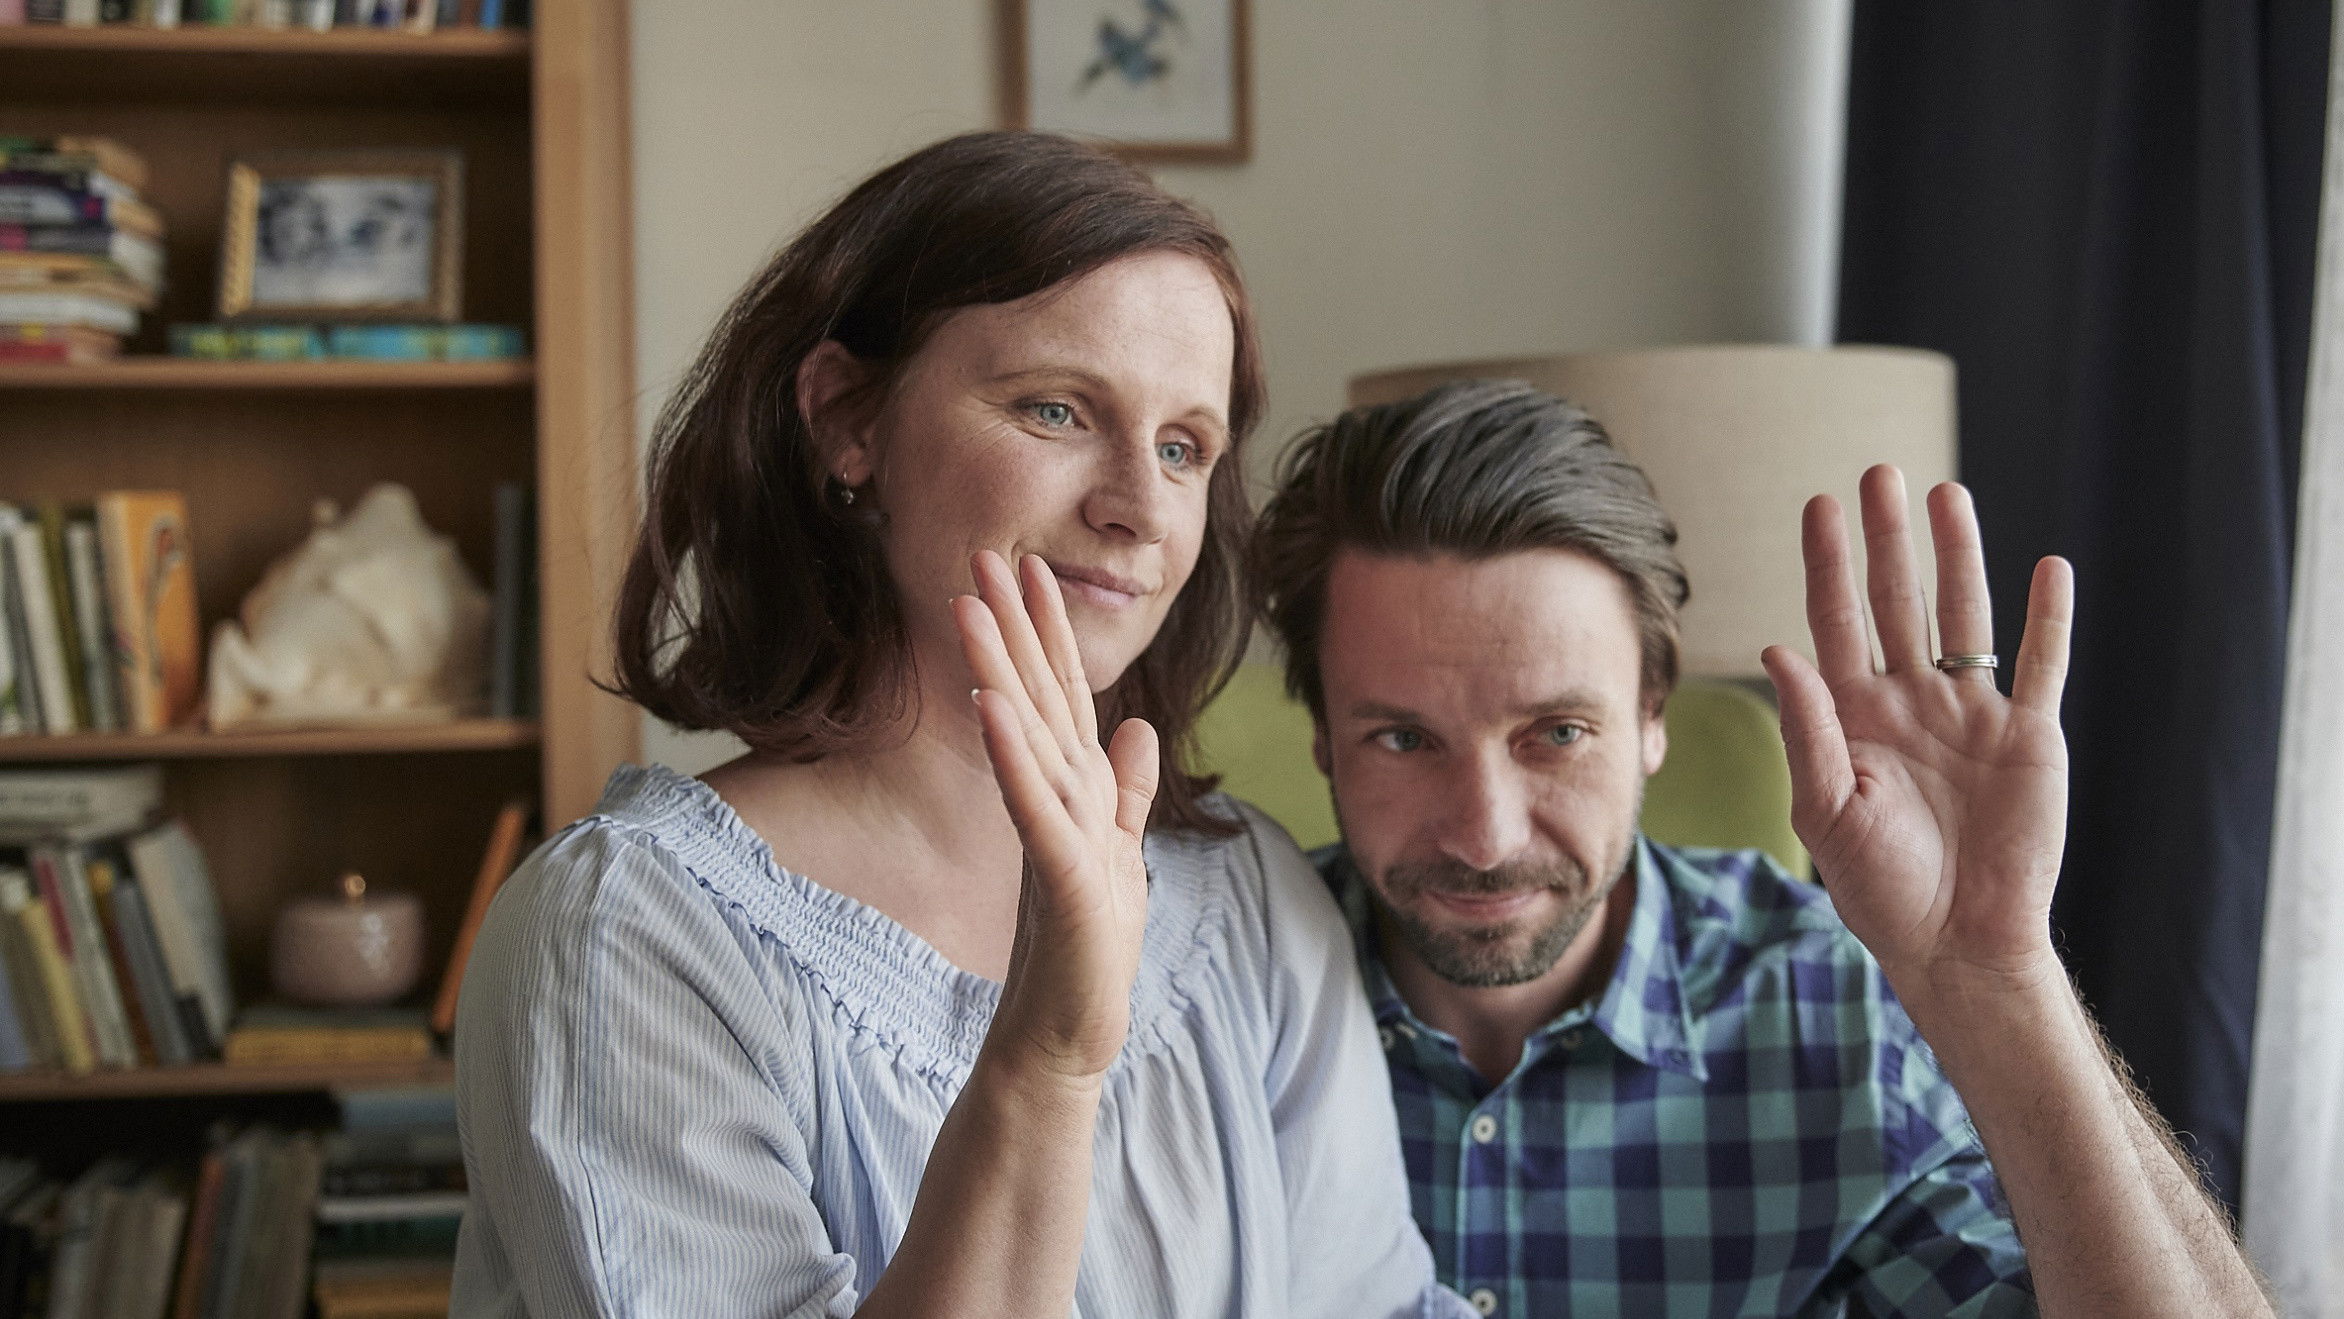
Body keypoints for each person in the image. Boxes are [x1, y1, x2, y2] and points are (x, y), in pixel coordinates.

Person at [449, 132, 1468, 1317]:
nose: (1139, 506)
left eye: (1185, 447)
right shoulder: (621, 938)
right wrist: (1045, 1057)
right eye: (1055, 409)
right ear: (846, 420)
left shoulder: (1251, 897)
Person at [1251, 379, 2276, 1317]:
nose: (1484, 834)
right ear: (1322, 738)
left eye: (1556, 733)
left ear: (1654, 714)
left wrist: (1998, 974)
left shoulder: (1835, 1015)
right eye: (1400, 737)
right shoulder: (1218, 1002)